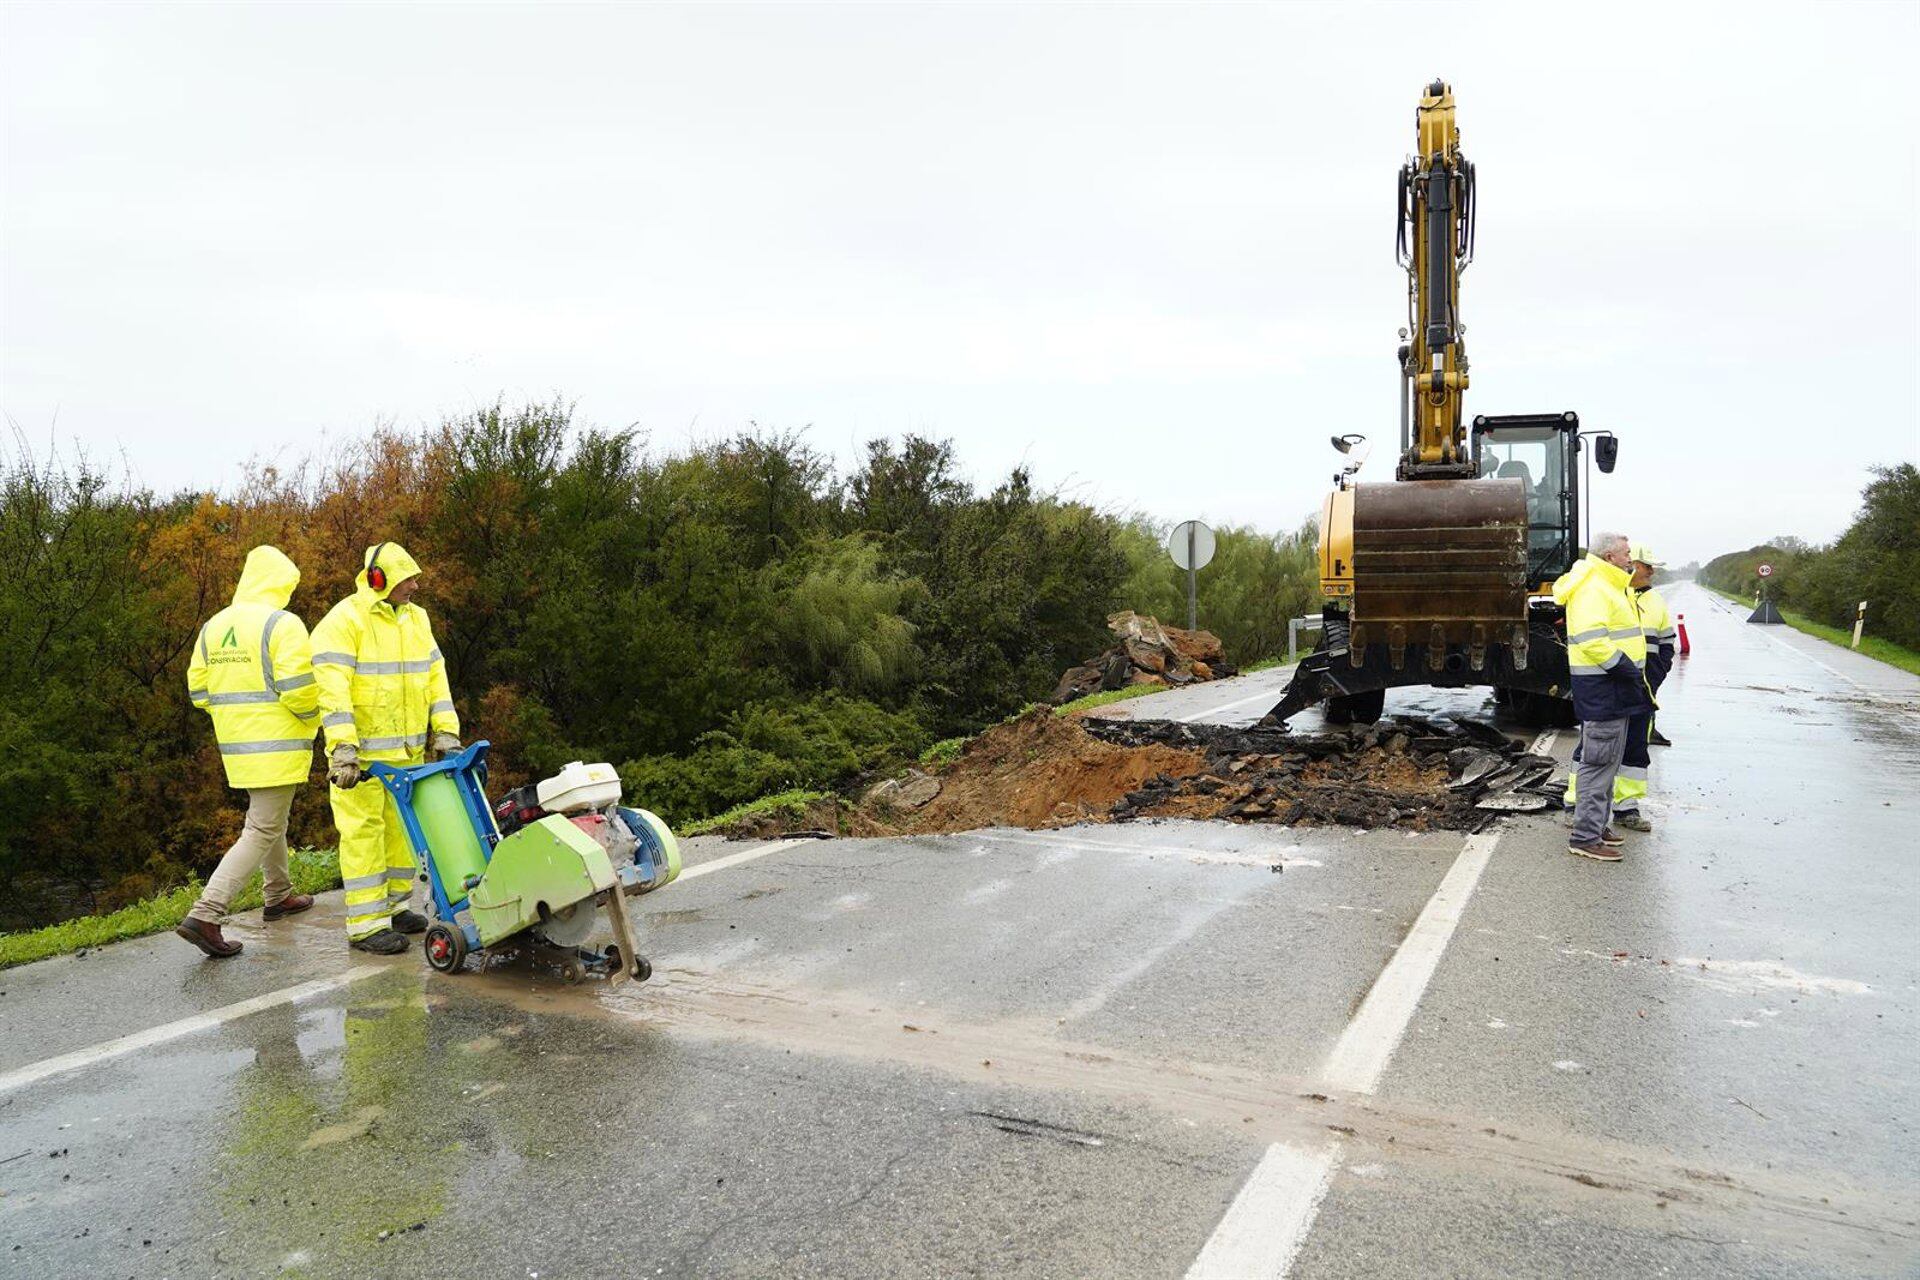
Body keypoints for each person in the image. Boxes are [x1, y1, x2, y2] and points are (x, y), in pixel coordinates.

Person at [312, 542, 461, 954]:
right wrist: (343, 750)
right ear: (379, 580)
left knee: (401, 835)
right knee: (363, 835)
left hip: (407, 754)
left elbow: (436, 679)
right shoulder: (344, 621)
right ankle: (365, 925)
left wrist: (445, 733)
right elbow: (333, 691)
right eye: (407, 578)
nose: (415, 585)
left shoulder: (417, 619)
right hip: (359, 761)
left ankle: (395, 908)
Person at [176, 546, 320, 958]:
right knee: (261, 828)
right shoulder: (283, 623)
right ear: (281, 582)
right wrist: (315, 718)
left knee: (270, 820)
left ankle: (278, 895)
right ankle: (206, 913)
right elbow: (298, 689)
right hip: (279, 742)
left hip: (238, 747)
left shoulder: (214, 625)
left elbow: (198, 691)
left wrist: (236, 714)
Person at [1552, 531, 1653, 862]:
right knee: (1598, 764)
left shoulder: (1607, 583)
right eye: (1625, 553)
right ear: (1610, 557)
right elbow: (1591, 639)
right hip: (1605, 687)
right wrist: (1625, 668)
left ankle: (1596, 826)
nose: (1630, 558)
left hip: (1613, 688)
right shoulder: (1595, 587)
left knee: (1607, 762)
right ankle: (1585, 836)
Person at [1562, 542, 1676, 831]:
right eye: (1645, 565)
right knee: (1595, 750)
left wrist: (1654, 677)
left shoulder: (1654, 601)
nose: (1651, 572)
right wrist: (1624, 671)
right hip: (1612, 688)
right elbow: (1593, 641)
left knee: (1635, 747)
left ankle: (1626, 808)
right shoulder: (1607, 592)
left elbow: (1666, 644)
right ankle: (1578, 807)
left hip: (1641, 689)